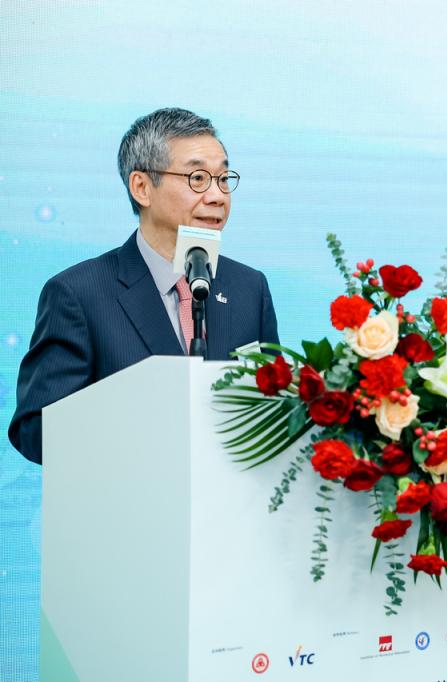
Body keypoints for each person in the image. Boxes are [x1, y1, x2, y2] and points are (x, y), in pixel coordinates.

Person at [8, 108, 279, 464]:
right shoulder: (79, 294)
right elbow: (36, 430)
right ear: (142, 188)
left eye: (224, 178)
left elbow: (277, 411)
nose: (218, 196)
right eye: (198, 178)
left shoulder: (249, 289)